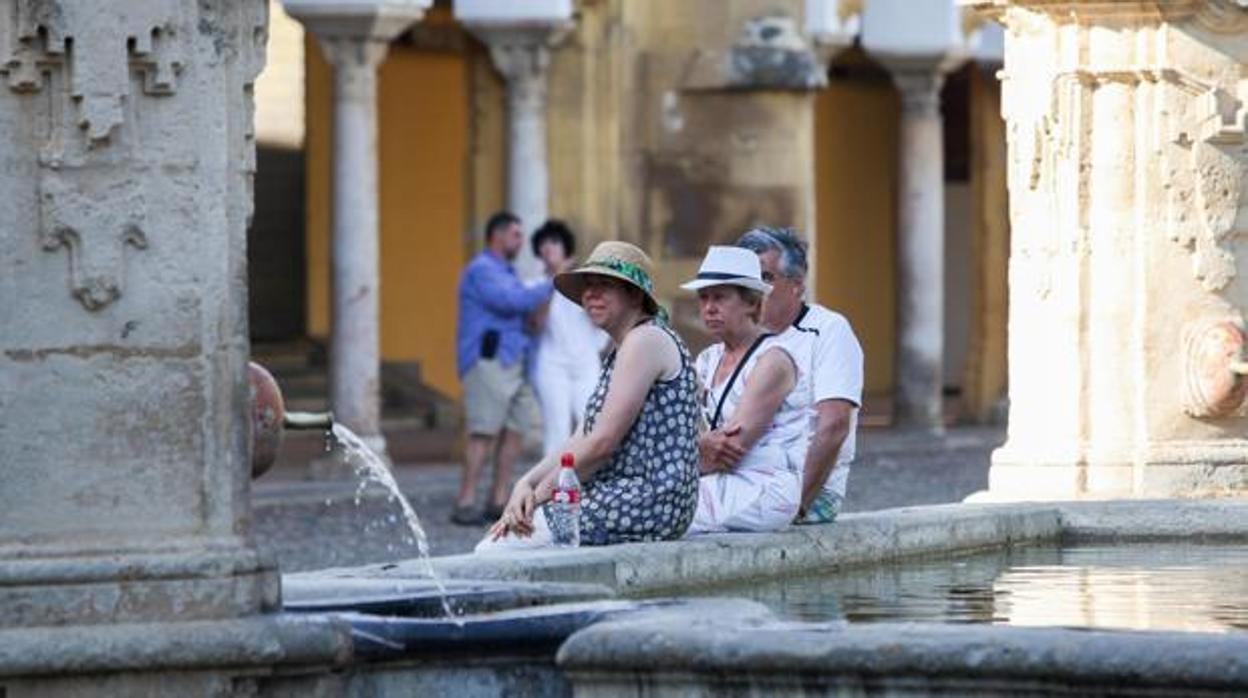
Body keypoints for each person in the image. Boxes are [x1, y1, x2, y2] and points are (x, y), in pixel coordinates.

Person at [477, 241, 700, 551]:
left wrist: (538, 497)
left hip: (649, 500)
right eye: (588, 286)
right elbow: (580, 439)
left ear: (634, 295)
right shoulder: (625, 347)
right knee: (501, 542)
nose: (591, 294)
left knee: (495, 549)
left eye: (604, 285)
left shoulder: (645, 340)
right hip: (624, 495)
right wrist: (523, 483)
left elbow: (602, 444)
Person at [729, 226, 864, 524]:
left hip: (807, 493)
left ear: (797, 285)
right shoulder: (737, 339)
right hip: (742, 482)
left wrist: (796, 506)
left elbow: (835, 425)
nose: (752, 288)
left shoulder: (828, 331)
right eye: (744, 279)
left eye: (765, 278)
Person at [682, 246, 806, 534]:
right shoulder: (707, 359)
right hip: (717, 480)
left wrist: (694, 446)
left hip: (764, 486)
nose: (708, 308)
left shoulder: (773, 359)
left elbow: (728, 449)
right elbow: (683, 432)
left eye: (720, 297)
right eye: (703, 298)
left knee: (663, 511)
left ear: (751, 303)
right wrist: (699, 444)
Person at [453, 211, 567, 526]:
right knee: (483, 432)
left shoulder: (509, 272)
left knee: (516, 429)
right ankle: (465, 499)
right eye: (516, 234)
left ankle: (498, 498)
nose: (521, 240)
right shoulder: (481, 270)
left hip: (517, 363)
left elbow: (526, 312)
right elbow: (512, 301)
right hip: (488, 362)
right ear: (498, 235)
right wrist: (554, 278)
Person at [528, 220, 609, 457]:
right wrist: (552, 282)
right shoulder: (534, 285)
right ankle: (554, 490)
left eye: (554, 242)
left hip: (585, 363)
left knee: (592, 424)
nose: (548, 248)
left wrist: (571, 280)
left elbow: (600, 318)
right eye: (543, 244)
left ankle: (590, 484)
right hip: (552, 365)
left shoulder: (584, 283)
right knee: (557, 431)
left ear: (566, 248)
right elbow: (535, 324)